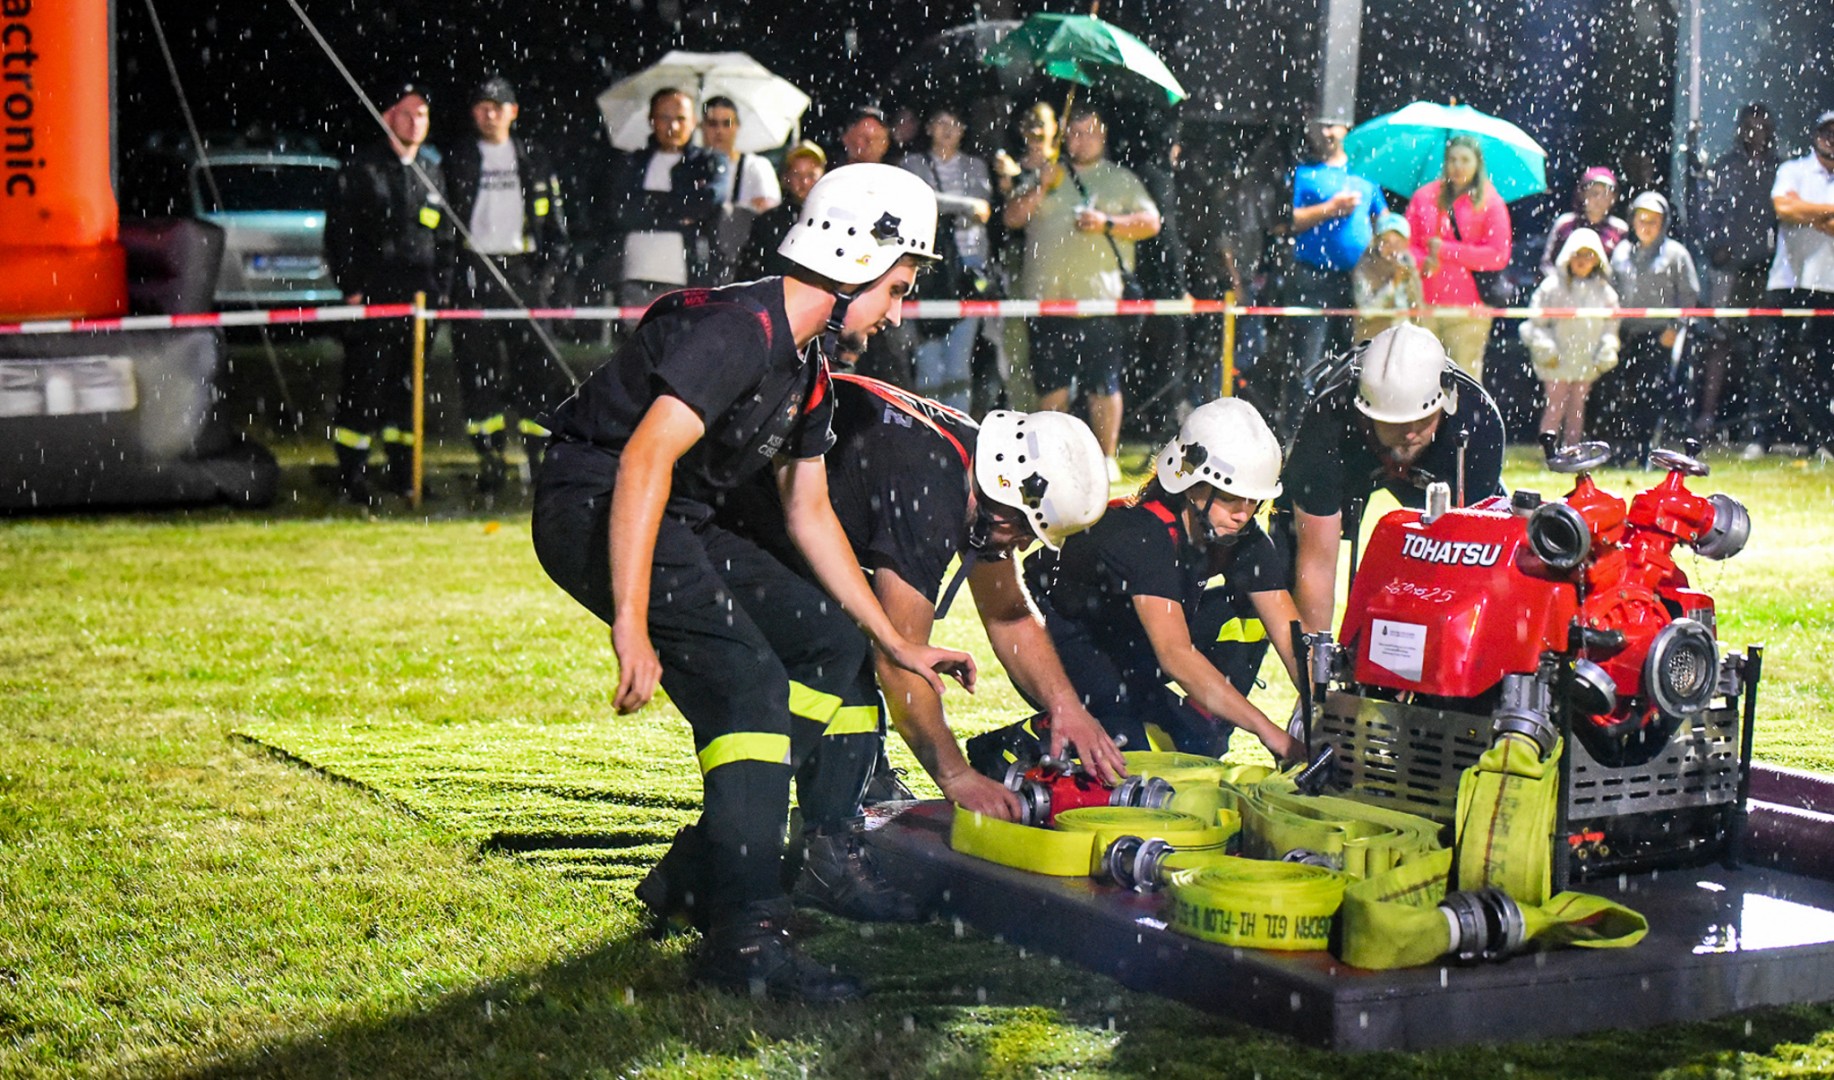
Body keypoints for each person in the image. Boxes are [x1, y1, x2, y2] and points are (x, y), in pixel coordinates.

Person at [531, 164, 972, 1002]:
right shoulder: (741, 330)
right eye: (897, 287)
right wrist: (631, 621)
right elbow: (645, 458)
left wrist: (895, 641)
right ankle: (745, 938)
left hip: (673, 513)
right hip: (594, 499)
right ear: (853, 259)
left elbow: (811, 515)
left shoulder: (806, 368)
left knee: (828, 640)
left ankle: (706, 869)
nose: (896, 313)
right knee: (750, 690)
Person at [717, 374, 1125, 820]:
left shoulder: (978, 469)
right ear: (1006, 490)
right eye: (1026, 528)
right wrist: (956, 776)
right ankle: (784, 833)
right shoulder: (930, 487)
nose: (1023, 546)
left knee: (846, 655)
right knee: (839, 650)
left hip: (764, 514)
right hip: (724, 521)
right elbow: (900, 663)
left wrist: (1066, 706)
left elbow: (1009, 615)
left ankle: (836, 812)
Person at [975, 399, 1304, 765]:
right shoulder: (1146, 536)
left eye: (1253, 500)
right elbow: (1176, 655)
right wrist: (1272, 734)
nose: (1243, 513)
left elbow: (1292, 638)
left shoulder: (1247, 539)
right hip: (1063, 635)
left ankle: (1206, 719)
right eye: (1228, 497)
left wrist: (1322, 712)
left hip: (1128, 636)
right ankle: (1013, 749)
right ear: (1190, 483)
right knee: (1123, 752)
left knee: (1197, 743)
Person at [1273, 323, 1506, 634]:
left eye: (1422, 420)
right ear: (1364, 414)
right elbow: (1317, 565)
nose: (1409, 434)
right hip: (1349, 452)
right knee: (1274, 575)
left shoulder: (1479, 425)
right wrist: (1317, 672)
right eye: (1394, 423)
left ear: (1446, 403)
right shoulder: (1326, 425)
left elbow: (1471, 568)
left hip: (1441, 465)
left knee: (1484, 557)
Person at [1004, 105, 1161, 482]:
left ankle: (1105, 457)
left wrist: (1107, 222)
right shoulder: (1046, 174)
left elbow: (1151, 223)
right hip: (1047, 304)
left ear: (1103, 136)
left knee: (1102, 386)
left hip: (1100, 303)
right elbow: (1010, 218)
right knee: (1051, 387)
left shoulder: (1120, 179)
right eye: (1073, 132)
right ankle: (1050, 461)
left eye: (1088, 132)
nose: (1080, 139)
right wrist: (1041, 185)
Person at [323, 82, 455, 505]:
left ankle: (403, 472)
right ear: (387, 118)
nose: (415, 122)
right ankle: (352, 475)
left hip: (419, 300)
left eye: (422, 115)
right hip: (373, 296)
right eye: (406, 113)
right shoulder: (362, 170)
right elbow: (340, 234)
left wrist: (443, 291)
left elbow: (446, 240)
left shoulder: (432, 172)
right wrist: (351, 288)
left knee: (408, 388)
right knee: (364, 384)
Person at [444, 76, 572, 495]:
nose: (491, 113)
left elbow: (556, 228)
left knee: (537, 368)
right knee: (476, 369)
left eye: (499, 105)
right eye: (482, 105)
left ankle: (539, 457)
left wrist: (548, 277)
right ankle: (490, 456)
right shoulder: (458, 158)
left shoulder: (533, 157)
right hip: (473, 271)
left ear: (513, 112)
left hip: (522, 272)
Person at [901, 105, 998, 412]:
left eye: (954, 124)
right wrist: (966, 206)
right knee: (929, 361)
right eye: (940, 122)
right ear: (928, 128)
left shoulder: (976, 166)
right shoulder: (912, 164)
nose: (947, 130)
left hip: (969, 274)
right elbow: (921, 199)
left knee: (959, 362)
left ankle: (958, 437)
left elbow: (985, 207)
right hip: (929, 275)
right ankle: (928, 431)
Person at [1753, 109, 1834, 461]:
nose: (1830, 138)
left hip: (1828, 285)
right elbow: (1784, 208)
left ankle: (1820, 439)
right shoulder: (1793, 170)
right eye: (1826, 131)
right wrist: (1827, 212)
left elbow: (1796, 208)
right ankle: (1759, 436)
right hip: (1787, 281)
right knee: (1771, 360)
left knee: (1822, 368)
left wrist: (1808, 211)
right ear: (1815, 135)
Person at [605, 88, 727, 321]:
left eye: (681, 118)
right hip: (635, 273)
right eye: (665, 117)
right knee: (640, 350)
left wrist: (650, 203)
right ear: (651, 120)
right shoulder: (632, 162)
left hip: (689, 276)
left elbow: (708, 202)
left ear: (694, 122)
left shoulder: (709, 161)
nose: (674, 126)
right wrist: (679, 212)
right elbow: (621, 212)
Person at [1694, 104, 1778, 443]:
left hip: (1767, 267)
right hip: (1728, 267)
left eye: (1761, 127)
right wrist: (1716, 244)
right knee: (1720, 340)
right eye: (1749, 126)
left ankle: (1755, 422)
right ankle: (1707, 416)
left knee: (1763, 344)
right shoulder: (1724, 167)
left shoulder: (1779, 168)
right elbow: (1707, 211)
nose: (1754, 133)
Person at [1286, 113, 1382, 401]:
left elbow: (1383, 220)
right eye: (1320, 126)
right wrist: (1331, 208)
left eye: (1332, 126)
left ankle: (1344, 431)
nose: (1327, 133)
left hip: (1359, 282)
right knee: (1308, 360)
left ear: (1346, 129)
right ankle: (1297, 434)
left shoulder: (1365, 173)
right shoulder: (1303, 174)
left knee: (1355, 360)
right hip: (1311, 278)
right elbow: (1285, 222)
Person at [1600, 191, 1700, 464]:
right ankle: (1622, 451)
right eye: (1641, 219)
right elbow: (1610, 291)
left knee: (1652, 396)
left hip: (1659, 335)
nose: (1646, 226)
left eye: (1653, 221)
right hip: (1625, 335)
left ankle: (1648, 452)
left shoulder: (1676, 254)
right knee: (1622, 394)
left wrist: (1676, 328)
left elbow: (1689, 296)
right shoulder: (1621, 252)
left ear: (1664, 223)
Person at [1405, 135, 1513, 381]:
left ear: (1478, 163)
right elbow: (1406, 246)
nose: (1458, 166)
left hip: (1469, 311)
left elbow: (1498, 255)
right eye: (1452, 159)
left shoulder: (1491, 202)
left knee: (1464, 382)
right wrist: (1424, 260)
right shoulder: (1423, 197)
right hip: (1424, 305)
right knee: (1422, 382)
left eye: (1465, 159)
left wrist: (1446, 251)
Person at [1520, 227, 1620, 446]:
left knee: (1577, 408)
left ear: (1597, 259)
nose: (1582, 261)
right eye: (1578, 254)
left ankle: (1572, 451)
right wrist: (1545, 348)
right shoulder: (1552, 288)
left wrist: (1606, 350)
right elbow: (1533, 324)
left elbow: (1611, 327)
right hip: (1556, 361)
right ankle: (1549, 449)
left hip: (1586, 362)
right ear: (1568, 256)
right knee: (1555, 407)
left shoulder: (1604, 292)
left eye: (1589, 255)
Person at [701, 95, 782, 282]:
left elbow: (769, 211)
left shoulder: (756, 166)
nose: (719, 131)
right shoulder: (691, 167)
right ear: (702, 127)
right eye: (712, 124)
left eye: (726, 123)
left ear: (737, 126)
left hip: (741, 261)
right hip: (701, 259)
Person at [735, 141, 825, 281]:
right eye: (797, 175)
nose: (805, 182)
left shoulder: (835, 219)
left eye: (811, 175)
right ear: (786, 178)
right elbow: (749, 273)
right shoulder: (767, 223)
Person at [1539, 167, 1629, 277]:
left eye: (1605, 194)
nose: (1599, 200)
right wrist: (1563, 286)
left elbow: (1623, 268)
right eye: (1594, 193)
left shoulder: (1620, 230)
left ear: (1613, 199)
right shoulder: (1565, 223)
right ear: (1582, 194)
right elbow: (1547, 264)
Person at [1350, 212, 1424, 343]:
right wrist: (1392, 285)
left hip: (1406, 340)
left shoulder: (1408, 264)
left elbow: (1417, 306)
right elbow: (1367, 311)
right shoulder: (1365, 267)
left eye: (1398, 242)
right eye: (1386, 242)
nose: (1392, 248)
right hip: (1373, 340)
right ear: (1377, 242)